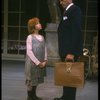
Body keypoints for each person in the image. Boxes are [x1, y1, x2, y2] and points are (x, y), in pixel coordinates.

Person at [54, 0, 83, 100]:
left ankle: (69, 98)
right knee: (66, 75)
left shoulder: (75, 10)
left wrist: (71, 52)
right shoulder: (66, 11)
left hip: (70, 52)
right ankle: (65, 96)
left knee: (71, 76)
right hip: (65, 51)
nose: (60, 2)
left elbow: (76, 31)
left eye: (62, 0)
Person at [25, 17, 47, 100]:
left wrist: (45, 60)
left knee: (37, 79)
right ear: (33, 26)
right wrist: (38, 62)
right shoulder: (30, 37)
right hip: (32, 63)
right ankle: (30, 96)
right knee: (31, 80)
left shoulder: (42, 37)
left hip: (41, 62)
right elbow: (29, 51)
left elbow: (45, 49)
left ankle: (34, 95)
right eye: (38, 23)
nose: (40, 24)